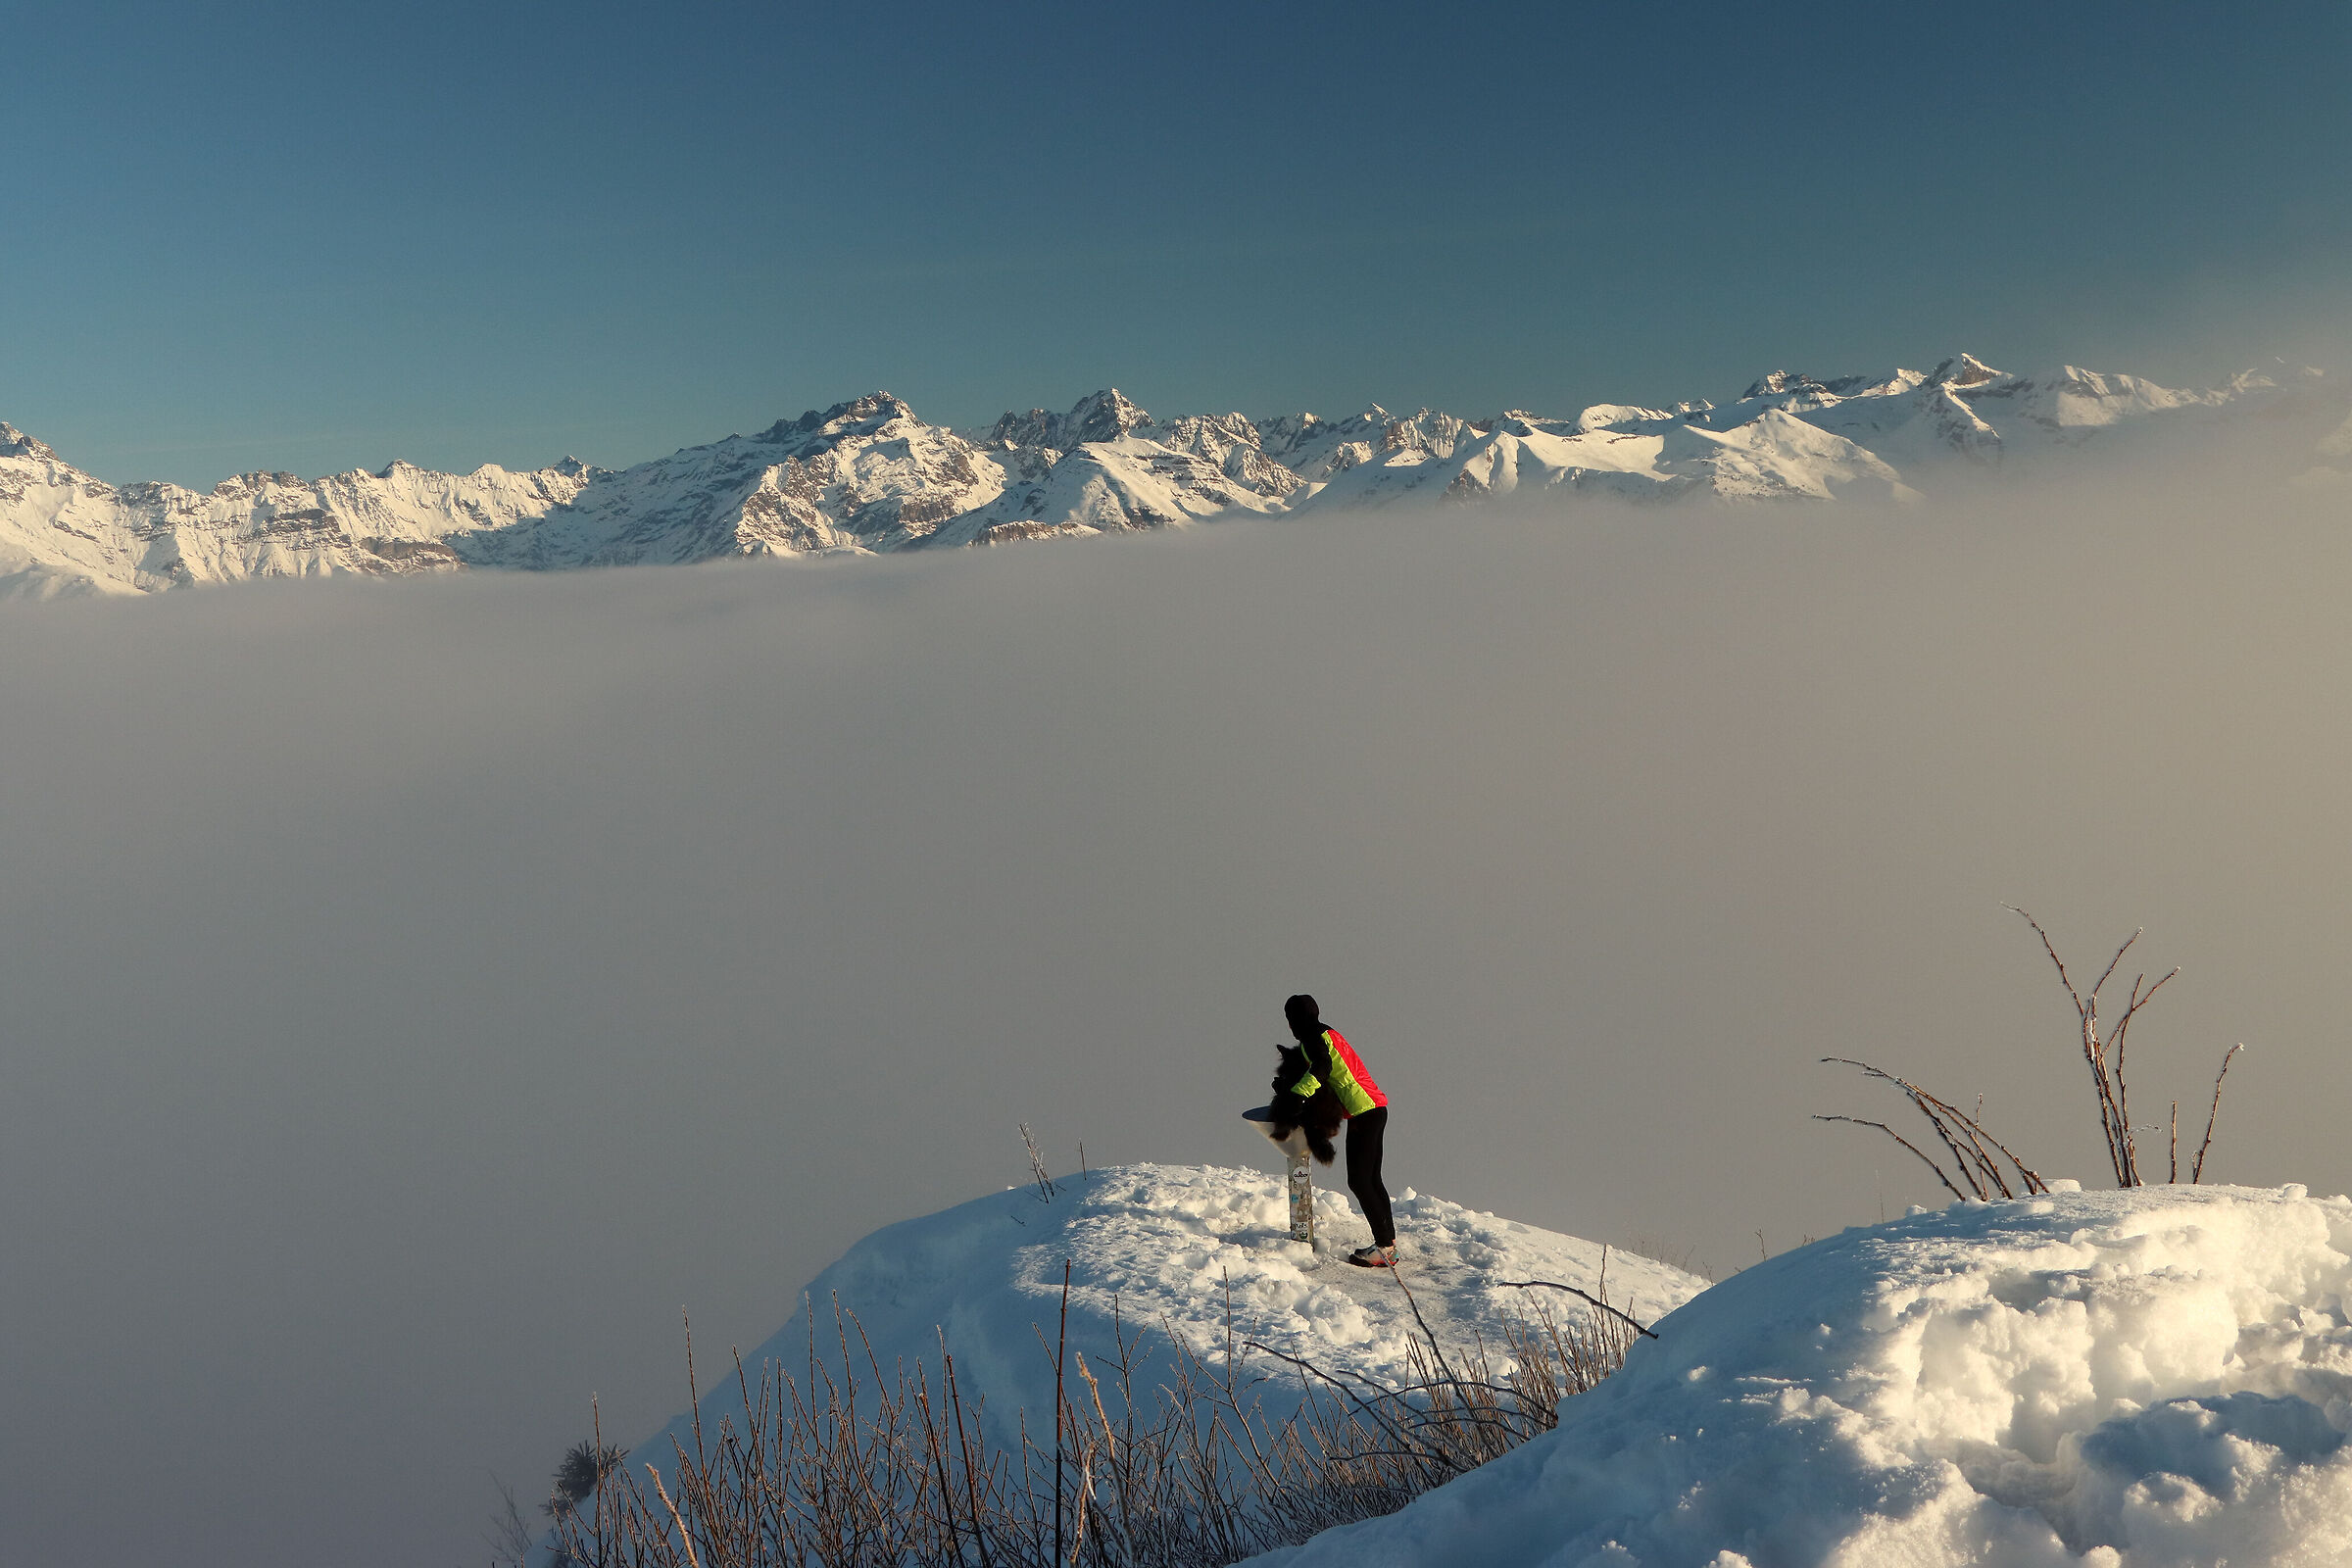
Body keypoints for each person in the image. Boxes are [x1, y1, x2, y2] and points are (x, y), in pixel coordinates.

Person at [1274, 993, 1396, 1267]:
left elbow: (1322, 1068)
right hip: (1374, 1108)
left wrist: (1297, 1095)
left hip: (1364, 1112)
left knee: (1360, 1181)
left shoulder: (1312, 1038)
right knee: (1371, 1179)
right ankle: (1388, 1244)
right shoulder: (1328, 1033)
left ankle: (1385, 1247)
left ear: (1293, 1021)